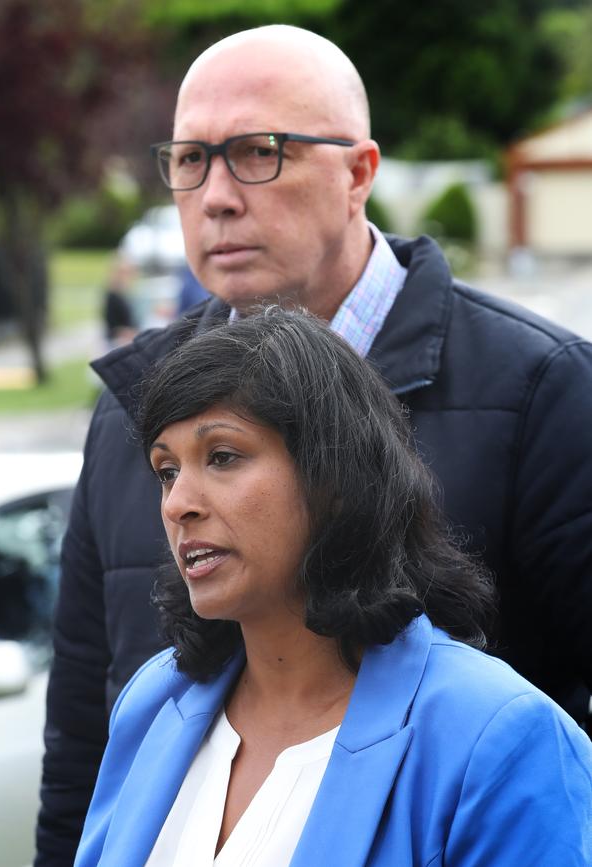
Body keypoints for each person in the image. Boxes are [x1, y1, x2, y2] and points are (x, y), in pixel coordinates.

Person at [35, 24, 592, 865]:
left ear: (359, 173)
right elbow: (83, 732)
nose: (217, 193)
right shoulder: (129, 409)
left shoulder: (541, 386)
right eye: (189, 160)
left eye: (259, 151)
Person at [74, 309, 591, 867]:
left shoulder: (499, 737)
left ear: (337, 480)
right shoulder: (153, 702)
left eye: (222, 457)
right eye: (166, 471)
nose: (178, 504)